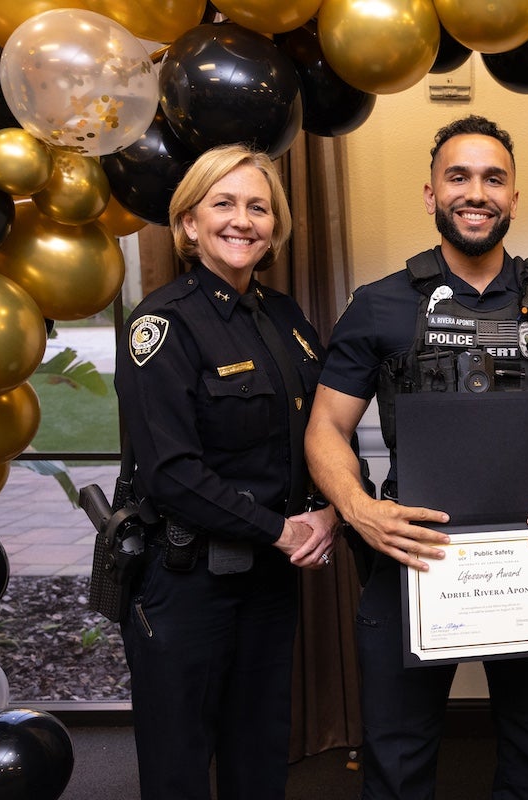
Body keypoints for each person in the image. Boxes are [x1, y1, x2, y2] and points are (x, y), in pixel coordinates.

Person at [304, 115, 528, 799]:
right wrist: (361, 511)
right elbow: (325, 427)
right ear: (430, 194)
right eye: (459, 177)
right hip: (411, 553)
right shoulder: (380, 305)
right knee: (396, 758)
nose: (475, 192)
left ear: (513, 197)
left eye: (493, 178)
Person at [114, 144, 340, 799]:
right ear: (189, 223)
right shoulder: (163, 324)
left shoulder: (286, 320)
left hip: (268, 578)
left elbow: (320, 433)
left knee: (260, 751)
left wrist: (329, 506)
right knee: (179, 763)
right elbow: (171, 475)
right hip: (185, 581)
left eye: (258, 207)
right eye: (223, 203)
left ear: (275, 228)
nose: (242, 220)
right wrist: (281, 529)